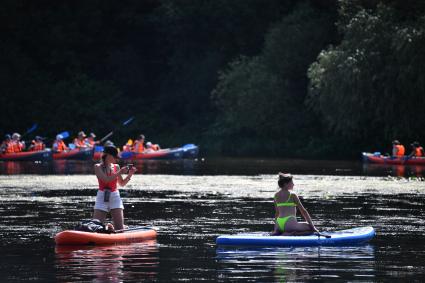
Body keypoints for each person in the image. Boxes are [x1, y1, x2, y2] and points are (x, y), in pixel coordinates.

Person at [93, 145, 137, 230]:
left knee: (119, 228)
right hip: (102, 197)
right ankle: (108, 227)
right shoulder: (97, 167)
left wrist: (130, 174)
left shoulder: (116, 167)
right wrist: (120, 172)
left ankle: (114, 227)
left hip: (115, 196)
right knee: (96, 227)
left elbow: (122, 184)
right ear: (108, 155)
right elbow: (106, 180)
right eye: (115, 157)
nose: (116, 159)